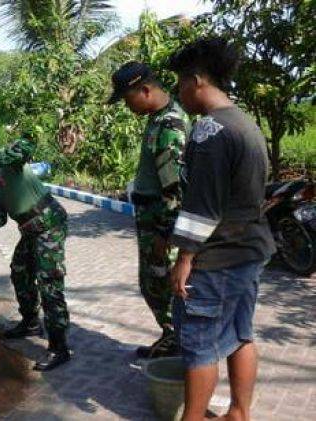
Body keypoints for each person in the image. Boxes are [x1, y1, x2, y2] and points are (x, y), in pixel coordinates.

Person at [167, 37, 275, 421]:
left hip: (217, 260)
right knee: (241, 335)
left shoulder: (210, 130)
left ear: (197, 80)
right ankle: (239, 413)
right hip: (249, 252)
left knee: (199, 346)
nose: (179, 92)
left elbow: (203, 206)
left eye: (180, 83)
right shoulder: (245, 122)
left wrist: (184, 259)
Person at [0, 136, 71, 371]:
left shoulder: (7, 163)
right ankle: (30, 323)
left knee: (49, 283)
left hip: (49, 223)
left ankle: (59, 347)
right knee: (19, 273)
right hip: (29, 230)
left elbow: (27, 144)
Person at [109, 61, 189, 358]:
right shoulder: (157, 119)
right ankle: (171, 337)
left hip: (159, 222)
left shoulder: (170, 124)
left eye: (128, 99)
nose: (127, 106)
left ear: (144, 90)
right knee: (151, 282)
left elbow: (173, 189)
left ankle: (177, 343)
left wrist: (164, 234)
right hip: (150, 218)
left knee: (160, 283)